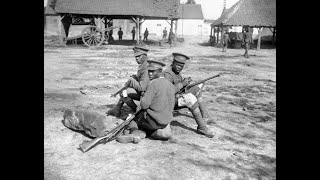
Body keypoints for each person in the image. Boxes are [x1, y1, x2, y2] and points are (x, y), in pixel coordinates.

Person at [116, 60, 176, 143]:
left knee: (133, 118)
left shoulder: (153, 83)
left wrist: (143, 97)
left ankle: (134, 134)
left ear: (160, 72)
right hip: (166, 121)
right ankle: (150, 133)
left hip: (154, 121)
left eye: (153, 72)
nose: (150, 74)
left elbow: (144, 105)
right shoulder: (170, 85)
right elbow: (172, 105)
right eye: (149, 71)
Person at [163, 53, 214, 138]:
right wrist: (183, 84)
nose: (179, 68)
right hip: (169, 101)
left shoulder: (177, 73)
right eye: (178, 65)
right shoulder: (167, 74)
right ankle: (201, 127)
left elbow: (179, 86)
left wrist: (186, 84)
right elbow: (168, 92)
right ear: (173, 63)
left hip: (177, 96)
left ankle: (204, 115)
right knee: (190, 99)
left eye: (181, 66)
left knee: (197, 87)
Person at [107, 46, 150, 117]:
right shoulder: (143, 65)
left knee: (123, 92)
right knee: (125, 90)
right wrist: (135, 78)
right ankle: (117, 109)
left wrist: (131, 80)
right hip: (144, 93)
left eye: (138, 56)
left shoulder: (145, 68)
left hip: (146, 95)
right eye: (135, 56)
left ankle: (136, 110)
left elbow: (142, 88)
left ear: (145, 56)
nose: (136, 58)